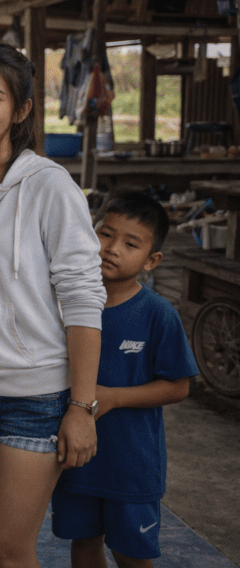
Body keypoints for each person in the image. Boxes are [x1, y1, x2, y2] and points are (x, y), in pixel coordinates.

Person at [0, 40, 105, 567]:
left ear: (21, 110)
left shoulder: (50, 187)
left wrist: (81, 407)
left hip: (33, 398)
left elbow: (82, 297)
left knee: (7, 550)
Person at [51, 191, 199, 568]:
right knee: (83, 547)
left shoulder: (156, 314)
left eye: (130, 244)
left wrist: (113, 397)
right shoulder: (63, 303)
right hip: (76, 459)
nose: (112, 249)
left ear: (151, 260)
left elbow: (179, 386)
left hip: (131, 465)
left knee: (131, 555)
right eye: (105, 234)